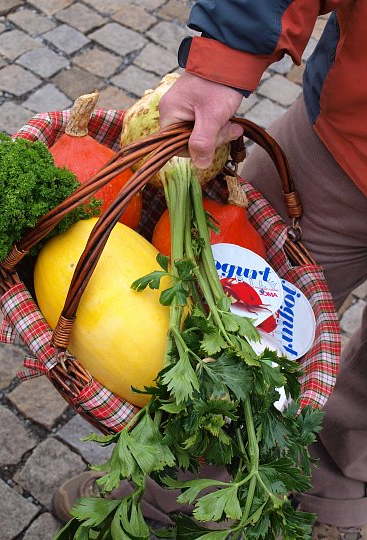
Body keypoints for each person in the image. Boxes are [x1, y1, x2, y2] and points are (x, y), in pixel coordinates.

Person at [54, 2, 367, 538]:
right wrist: (227, 54)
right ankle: (172, 488)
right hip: (348, 143)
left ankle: (337, 484)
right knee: (230, 326)